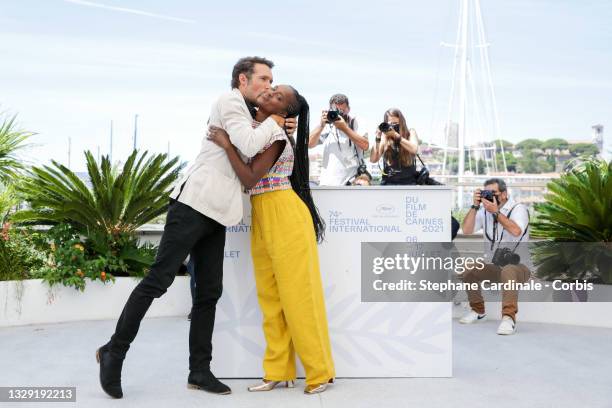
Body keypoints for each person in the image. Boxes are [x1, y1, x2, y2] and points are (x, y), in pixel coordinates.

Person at [96, 56, 292, 399]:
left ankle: (199, 371)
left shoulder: (251, 116)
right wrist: (276, 120)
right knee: (158, 280)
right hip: (192, 206)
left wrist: (277, 124)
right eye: (263, 79)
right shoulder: (229, 101)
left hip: (219, 213)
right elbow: (247, 145)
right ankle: (114, 351)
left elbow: (251, 150)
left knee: (208, 294)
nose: (269, 86)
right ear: (242, 81)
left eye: (272, 81)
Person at [208, 84, 336, 395]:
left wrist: (226, 145)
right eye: (272, 89)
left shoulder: (276, 136)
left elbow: (250, 177)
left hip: (285, 214)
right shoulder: (258, 129)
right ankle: (278, 370)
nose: (269, 94)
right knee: (271, 299)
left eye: (278, 97)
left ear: (283, 113)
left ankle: (320, 371)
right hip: (263, 215)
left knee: (299, 298)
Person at [459, 178, 531, 335]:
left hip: (519, 267)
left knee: (509, 270)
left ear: (504, 194)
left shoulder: (519, 209)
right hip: (494, 266)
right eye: (486, 193)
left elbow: (516, 231)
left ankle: (508, 318)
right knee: (469, 267)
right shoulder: (484, 211)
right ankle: (478, 312)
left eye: (493, 193)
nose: (489, 197)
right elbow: (466, 230)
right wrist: (475, 206)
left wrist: (496, 212)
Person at [308, 94, 369, 185]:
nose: (339, 114)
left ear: (348, 109)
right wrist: (321, 125)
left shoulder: (355, 123)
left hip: (351, 183)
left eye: (342, 111)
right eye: (336, 111)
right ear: (330, 110)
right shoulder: (327, 125)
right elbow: (309, 144)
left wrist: (345, 128)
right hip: (327, 183)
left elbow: (365, 145)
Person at [369, 108, 419, 185]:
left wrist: (395, 135)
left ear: (402, 123)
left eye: (395, 123)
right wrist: (378, 137)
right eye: (390, 124)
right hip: (389, 183)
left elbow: (414, 149)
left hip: (409, 182)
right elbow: (373, 159)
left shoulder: (410, 132)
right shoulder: (384, 137)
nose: (392, 127)